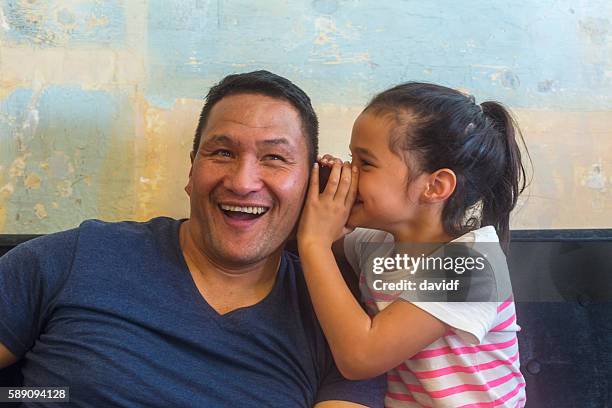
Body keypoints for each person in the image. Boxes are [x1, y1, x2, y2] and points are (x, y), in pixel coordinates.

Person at [0, 70, 385, 407]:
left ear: (312, 183)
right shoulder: (75, 257)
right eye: (222, 152)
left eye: (274, 158)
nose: (242, 182)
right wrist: (46, 392)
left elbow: (442, 261)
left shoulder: (343, 315)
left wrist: (319, 237)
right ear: (192, 169)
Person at [297, 82, 528, 407]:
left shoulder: (472, 264)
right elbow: (322, 246)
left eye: (365, 163)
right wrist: (320, 185)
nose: (350, 173)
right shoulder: (376, 243)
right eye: (350, 158)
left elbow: (360, 357)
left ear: (434, 186)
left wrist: (315, 244)